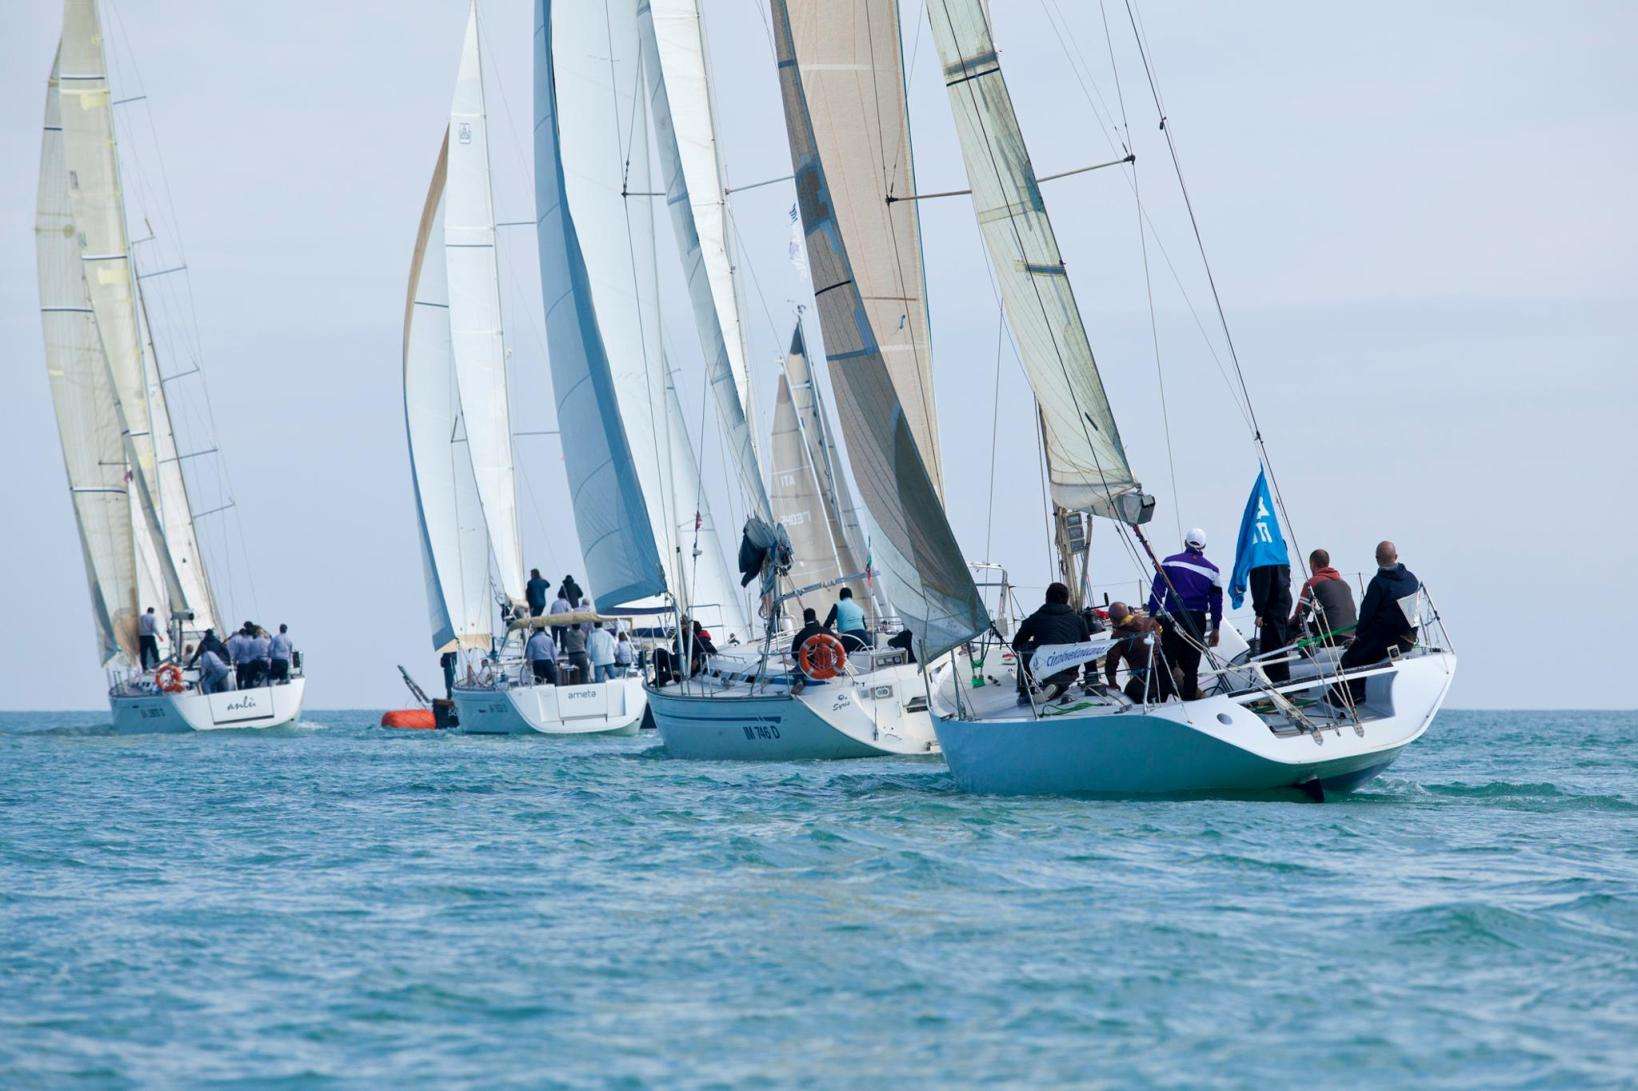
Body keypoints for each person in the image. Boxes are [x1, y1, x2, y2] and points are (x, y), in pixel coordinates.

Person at [1333, 541, 1420, 705]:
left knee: (1350, 659)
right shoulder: (1411, 578)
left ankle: (1348, 696)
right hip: (1408, 639)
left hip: (1384, 640)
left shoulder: (1378, 583)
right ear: (1396, 557)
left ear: (1377, 559)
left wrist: (1359, 637)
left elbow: (1366, 615)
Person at [1146, 528, 1224, 700]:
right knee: (1191, 667)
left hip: (1173, 618)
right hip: (1197, 620)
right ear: (1204, 546)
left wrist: (1152, 615)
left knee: (1167, 662)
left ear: (1185, 542)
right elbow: (1217, 602)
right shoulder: (1213, 570)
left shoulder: (1169, 562)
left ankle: (1161, 701)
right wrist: (1216, 627)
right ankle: (1190, 702)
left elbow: (1158, 590)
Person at [1013, 582, 1093, 704]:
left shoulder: (1036, 618)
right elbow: (1088, 649)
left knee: (1024, 650)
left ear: (1046, 599)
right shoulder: (1078, 620)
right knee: (1076, 658)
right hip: (1069, 667)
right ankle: (1058, 686)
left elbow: (1016, 645)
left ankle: (1025, 692)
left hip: (1044, 667)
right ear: (1067, 599)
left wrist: (1033, 645)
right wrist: (1092, 677)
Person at [1102, 602, 1173, 703]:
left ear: (1112, 620)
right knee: (1192, 693)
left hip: (1144, 680)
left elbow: (1111, 663)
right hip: (1170, 671)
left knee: (1128, 697)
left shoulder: (1118, 637)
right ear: (1129, 612)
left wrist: (1112, 683)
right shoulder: (1151, 621)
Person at [1291, 548, 1357, 646]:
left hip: (1330, 637)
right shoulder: (1344, 584)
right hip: (1351, 635)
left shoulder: (1312, 583)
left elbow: (1300, 616)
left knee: (1290, 630)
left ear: (1312, 564)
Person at [1248, 562, 1293, 684]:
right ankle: (1282, 687)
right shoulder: (1278, 548)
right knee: (1278, 646)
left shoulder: (1264, 556)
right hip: (1283, 600)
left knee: (1272, 650)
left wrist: (1259, 612)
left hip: (1272, 605)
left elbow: (1264, 584)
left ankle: (1282, 688)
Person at [789, 607, 827, 692]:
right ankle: (840, 672)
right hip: (826, 664)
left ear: (804, 619)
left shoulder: (800, 635)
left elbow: (794, 654)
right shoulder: (825, 631)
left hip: (809, 665)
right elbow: (837, 644)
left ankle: (799, 681)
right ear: (815, 617)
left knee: (798, 668)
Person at [226, 623, 257, 689]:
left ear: (245, 633)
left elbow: (237, 653)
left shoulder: (241, 641)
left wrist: (234, 661)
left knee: (239, 679)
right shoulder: (254, 641)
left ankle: (240, 690)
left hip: (242, 663)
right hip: (251, 663)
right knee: (249, 679)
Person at [559, 619, 589, 684]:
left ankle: (573, 687)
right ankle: (585, 686)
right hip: (582, 655)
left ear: (572, 626)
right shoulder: (582, 633)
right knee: (584, 673)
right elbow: (585, 642)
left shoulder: (567, 634)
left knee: (572, 673)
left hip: (572, 655)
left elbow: (565, 642)